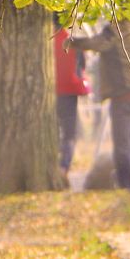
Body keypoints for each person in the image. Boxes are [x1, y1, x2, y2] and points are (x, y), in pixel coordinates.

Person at [71, 15, 130, 191]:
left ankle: (127, 187)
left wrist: (72, 42)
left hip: (124, 95)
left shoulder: (114, 32)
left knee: (122, 146)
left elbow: (96, 44)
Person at [53, 14, 91, 175]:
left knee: (53, 128)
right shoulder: (72, 42)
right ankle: (64, 166)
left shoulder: (44, 43)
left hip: (51, 92)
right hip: (69, 92)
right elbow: (82, 67)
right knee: (69, 132)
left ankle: (52, 162)